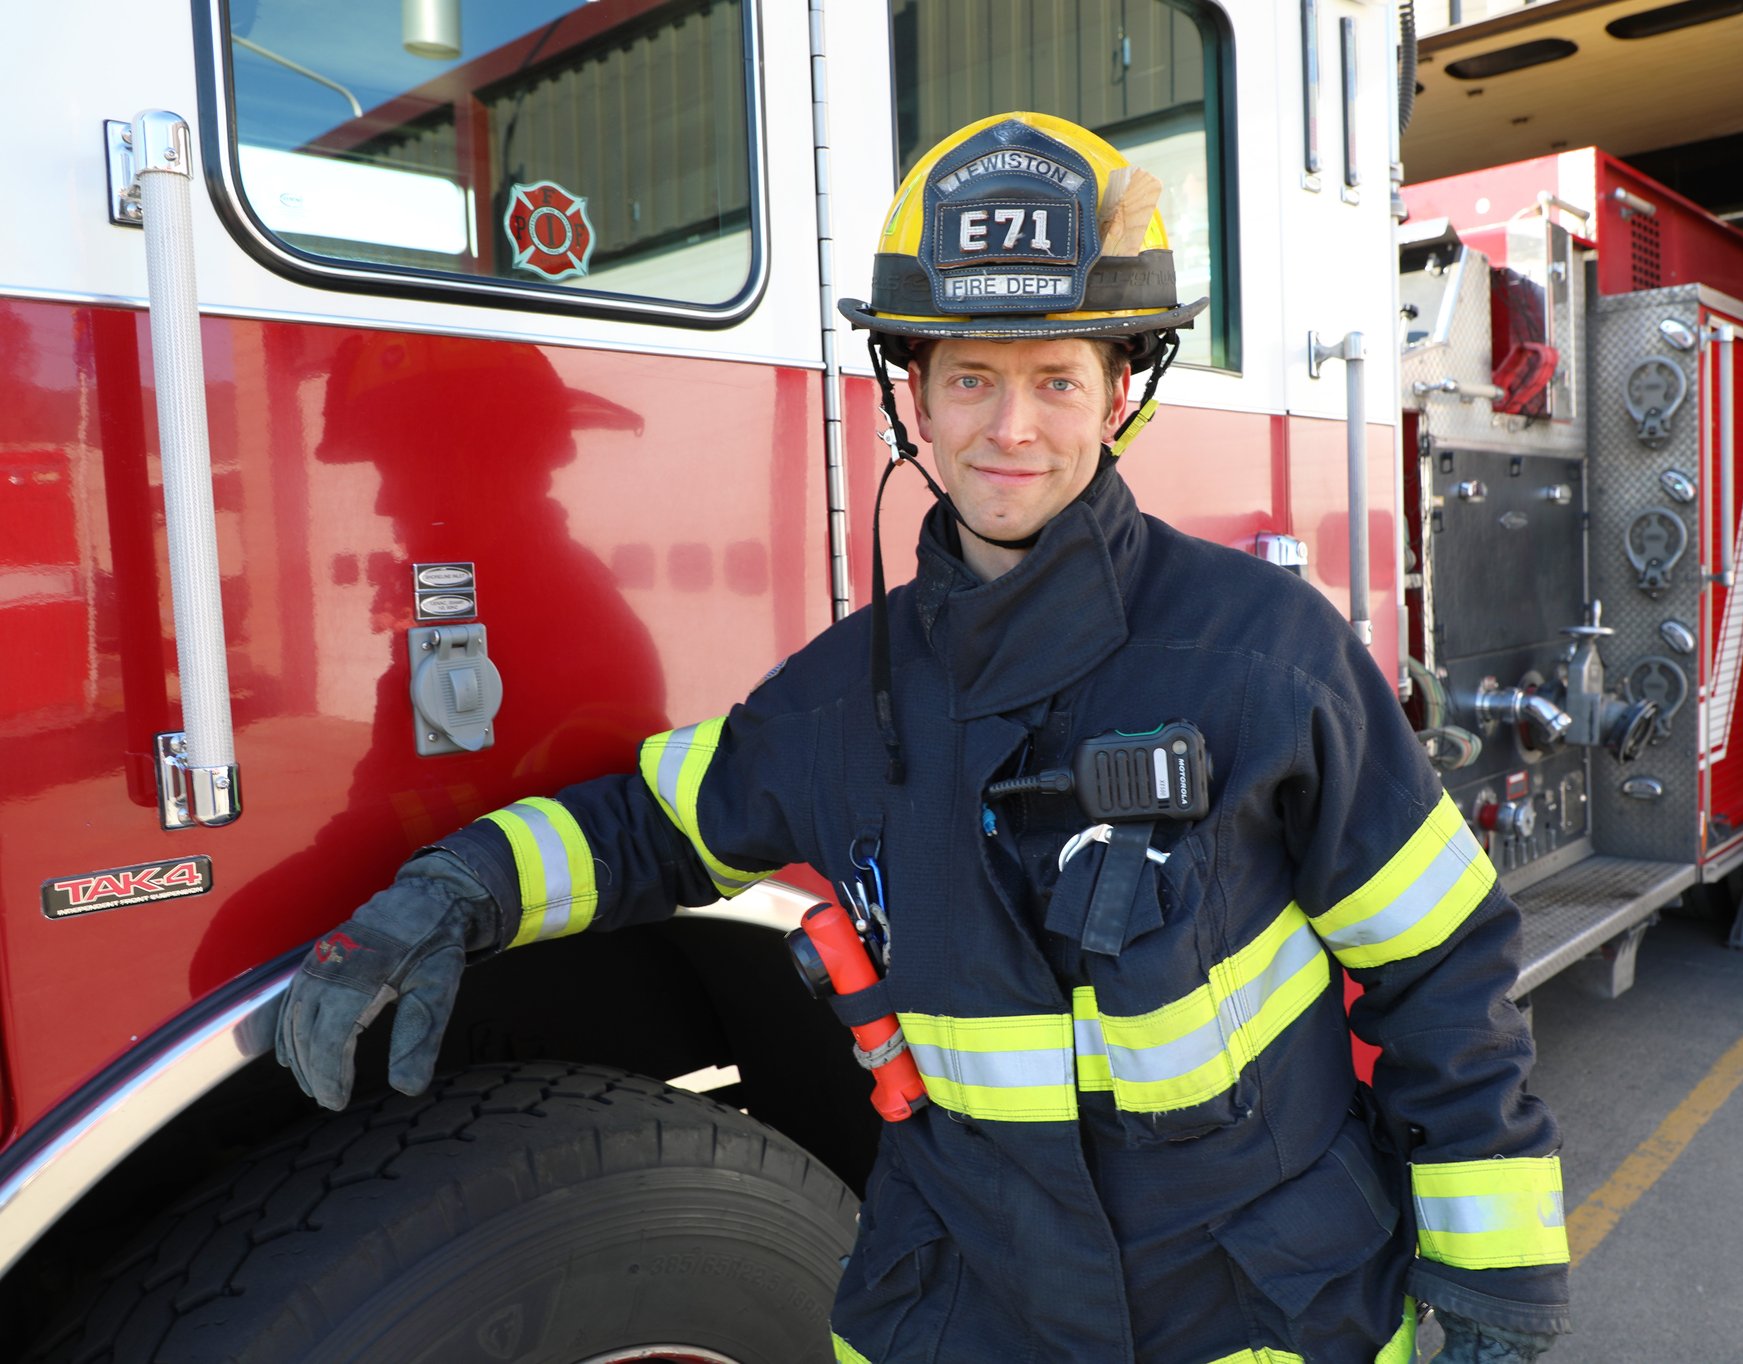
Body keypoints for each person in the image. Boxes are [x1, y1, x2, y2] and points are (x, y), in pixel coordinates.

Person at [277, 112, 1570, 1364]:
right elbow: (651, 827)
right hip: (968, 1308)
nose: (1013, 429)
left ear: (1121, 394)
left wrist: (1498, 1275)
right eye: (973, 378)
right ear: (917, 399)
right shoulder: (843, 700)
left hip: (1263, 1313)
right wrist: (462, 888)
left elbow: (1441, 964)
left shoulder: (1269, 656)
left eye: (1057, 379)